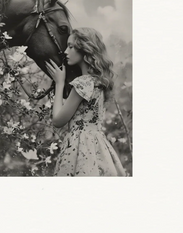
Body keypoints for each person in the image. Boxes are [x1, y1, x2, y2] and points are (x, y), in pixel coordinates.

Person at [45, 27, 127, 176]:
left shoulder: (82, 84)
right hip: (97, 146)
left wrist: (59, 83)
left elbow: (57, 121)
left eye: (71, 47)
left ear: (85, 50)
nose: (65, 51)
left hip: (79, 147)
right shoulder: (99, 82)